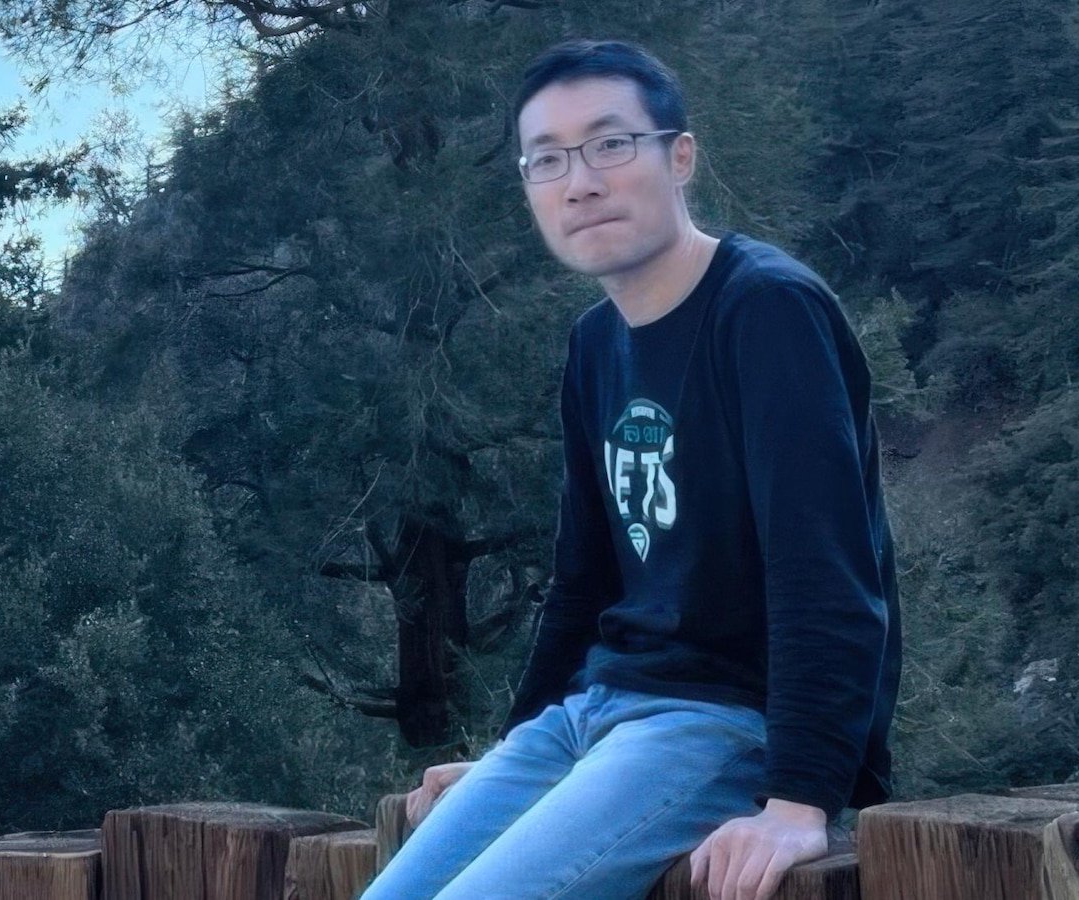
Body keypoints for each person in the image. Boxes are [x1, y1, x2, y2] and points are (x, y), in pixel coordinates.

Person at [358, 39, 901, 900]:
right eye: (547, 159)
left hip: (719, 722)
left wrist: (802, 799)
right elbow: (583, 581)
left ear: (679, 157)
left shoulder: (766, 309)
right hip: (588, 718)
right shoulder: (595, 344)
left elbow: (825, 571)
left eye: (610, 144)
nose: (580, 182)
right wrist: (513, 751)